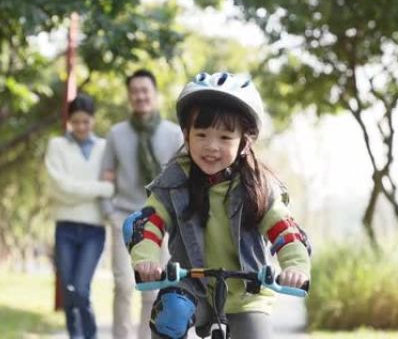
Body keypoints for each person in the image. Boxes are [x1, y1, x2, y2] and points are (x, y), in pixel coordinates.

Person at [124, 72, 312, 339]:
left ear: (245, 141)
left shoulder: (259, 187)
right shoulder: (174, 182)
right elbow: (149, 222)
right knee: (171, 313)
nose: (211, 146)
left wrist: (295, 267)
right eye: (201, 134)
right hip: (189, 287)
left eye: (225, 137)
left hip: (246, 292)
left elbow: (286, 231)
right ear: (186, 135)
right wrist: (146, 260)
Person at [100, 69, 184, 339]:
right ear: (129, 96)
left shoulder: (174, 134)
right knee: (124, 285)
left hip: (162, 220)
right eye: (134, 91)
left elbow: (184, 177)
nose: (140, 96)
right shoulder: (116, 133)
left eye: (145, 90)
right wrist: (107, 209)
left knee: (154, 286)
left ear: (155, 94)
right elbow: (107, 173)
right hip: (124, 215)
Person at [44, 93, 114, 339]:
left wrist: (75, 189)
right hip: (65, 228)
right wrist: (100, 188)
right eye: (76, 122)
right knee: (69, 289)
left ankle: (90, 335)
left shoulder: (105, 148)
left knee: (81, 289)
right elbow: (58, 188)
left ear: (93, 121)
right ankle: (75, 336)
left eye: (86, 121)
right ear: (69, 121)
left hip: (94, 230)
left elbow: (72, 189)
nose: (81, 127)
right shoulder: (57, 146)